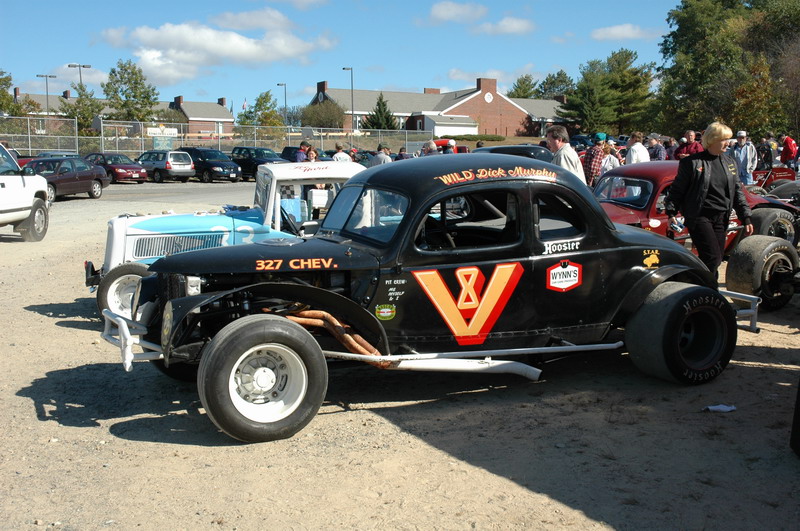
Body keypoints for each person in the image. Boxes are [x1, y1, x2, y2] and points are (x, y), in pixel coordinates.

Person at [665, 122, 753, 284]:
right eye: (724, 139)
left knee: (716, 259)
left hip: (721, 217)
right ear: (713, 140)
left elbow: (737, 192)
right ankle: (705, 289)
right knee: (712, 257)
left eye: (729, 139)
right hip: (699, 216)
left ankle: (704, 288)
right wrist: (671, 213)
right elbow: (677, 190)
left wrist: (746, 217)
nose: (728, 143)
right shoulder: (692, 163)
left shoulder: (730, 162)